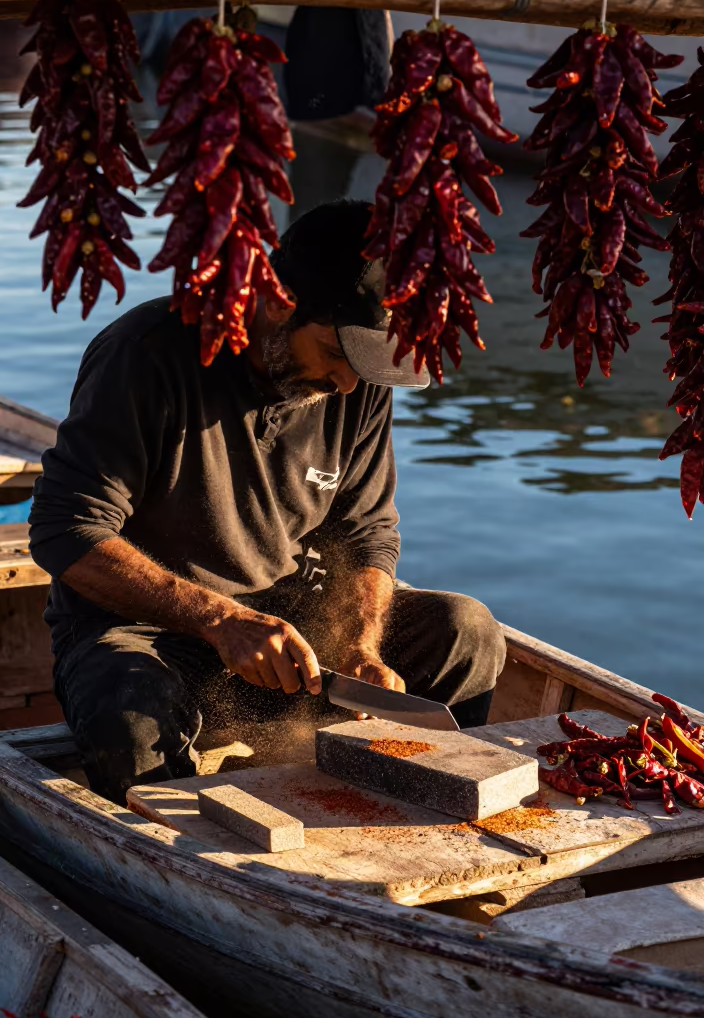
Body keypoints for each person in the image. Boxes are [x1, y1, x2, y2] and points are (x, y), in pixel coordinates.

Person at [29, 200, 506, 806]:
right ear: (278, 301)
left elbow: (367, 535)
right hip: (147, 634)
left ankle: (402, 806)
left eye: (366, 364)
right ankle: (187, 869)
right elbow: (65, 530)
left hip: (290, 640)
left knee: (467, 630)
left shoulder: (354, 387)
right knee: (129, 717)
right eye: (336, 353)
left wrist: (361, 645)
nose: (347, 383)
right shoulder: (145, 354)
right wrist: (220, 620)